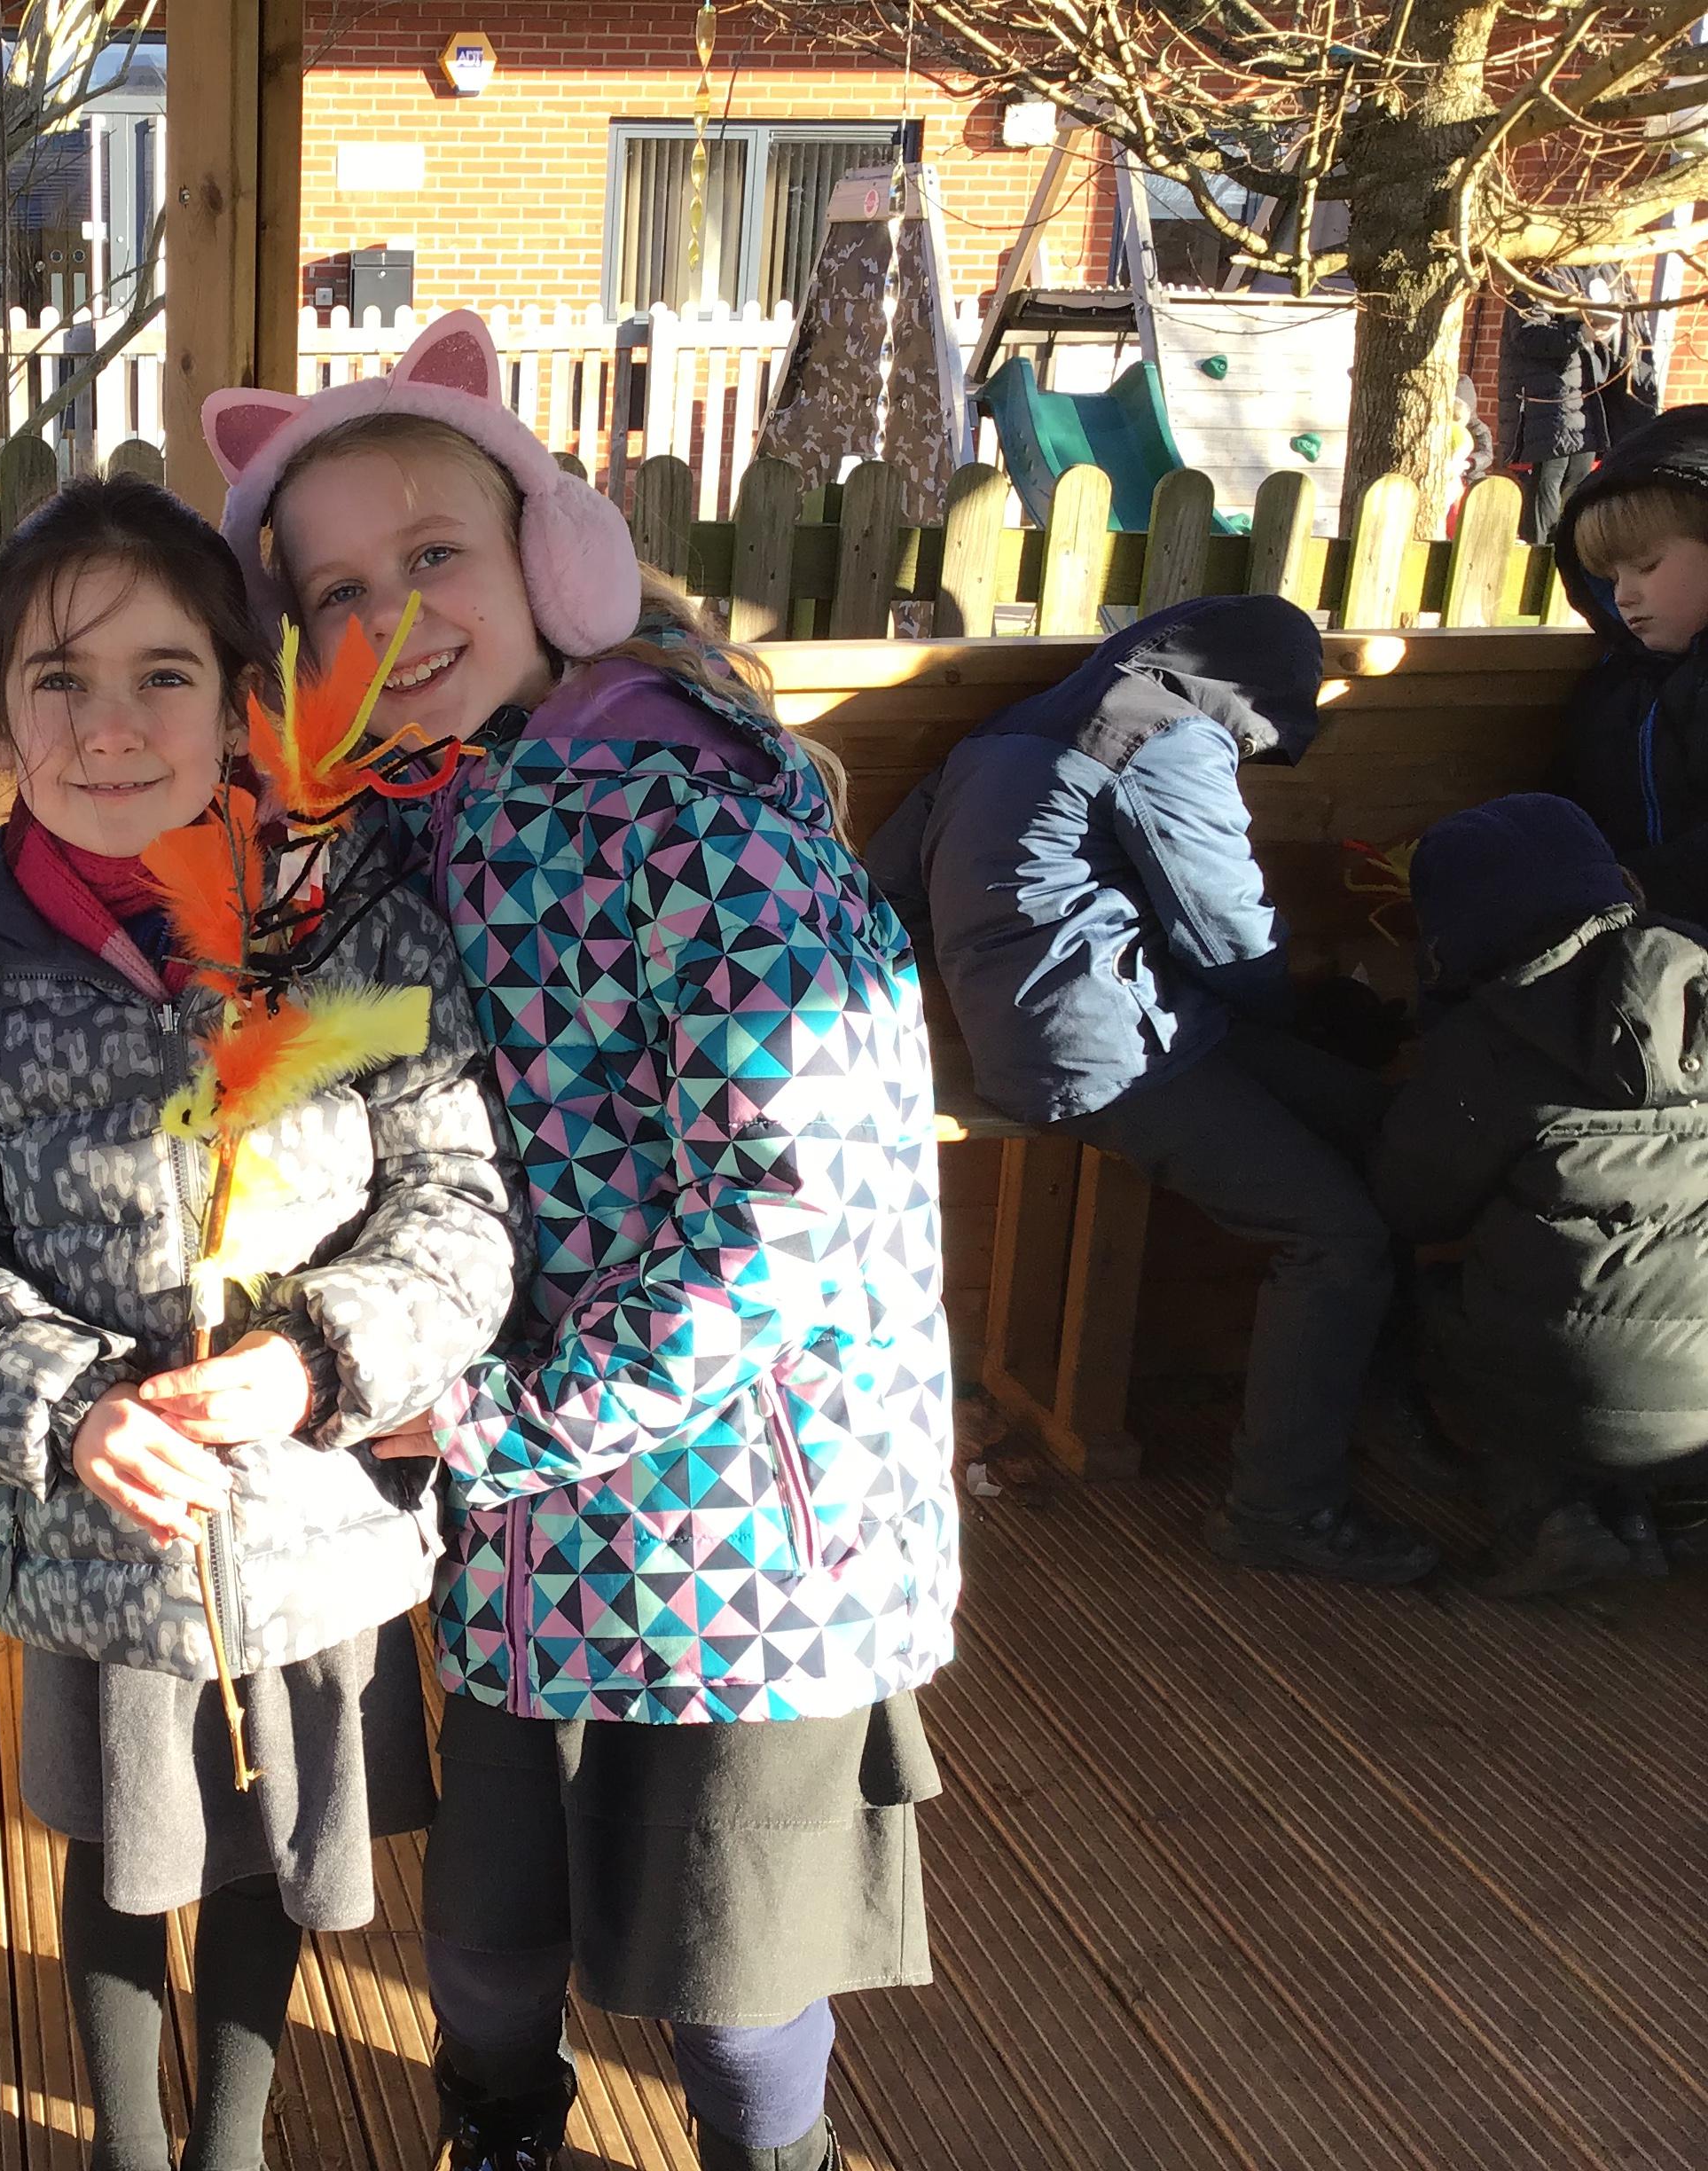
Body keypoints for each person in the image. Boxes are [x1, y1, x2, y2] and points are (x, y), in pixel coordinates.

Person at [214, 310, 954, 2171]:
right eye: (333, 594)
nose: (389, 620)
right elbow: (356, 1061)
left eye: (433, 555)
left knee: (733, 1958)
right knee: (487, 1930)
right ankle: (500, 2133)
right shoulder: (420, 827)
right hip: (527, 1520)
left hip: (747, 1525)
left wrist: (503, 1422)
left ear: (554, 558)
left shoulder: (710, 836)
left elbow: (787, 1218)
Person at [0, 476, 523, 2171]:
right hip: (100, 1528)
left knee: (266, 1855)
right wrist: (64, 1402)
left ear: (237, 703)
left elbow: (457, 1203)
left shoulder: (353, 920)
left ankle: (227, 2141)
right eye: (57, 678)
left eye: (162, 673)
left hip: (305, 1515)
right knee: (123, 1855)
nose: (110, 723)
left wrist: (322, 1356)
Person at [866, 595, 1439, 1588]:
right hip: (1113, 1055)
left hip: (1101, 1034)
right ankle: (1281, 1508)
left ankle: (1382, 1409)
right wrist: (1302, 1009)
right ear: (1255, 694)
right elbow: (1226, 930)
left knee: (1380, 1126)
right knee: (1334, 1236)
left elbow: (886, 890)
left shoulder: (1005, 732)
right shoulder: (1167, 737)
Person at [1374, 795, 1708, 1595]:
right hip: (1702, 1385)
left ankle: (1549, 1516)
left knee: (1431, 1303)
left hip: (1572, 1384)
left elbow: (1413, 1205)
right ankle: (1659, 1513)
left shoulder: (1490, 1040)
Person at [1549, 404, 1708, 922]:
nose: (1624, 596)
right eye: (1611, 578)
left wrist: (1635, 885)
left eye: (1646, 566)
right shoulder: (1615, 685)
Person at [1503, 268, 1611, 545]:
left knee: (1579, 481)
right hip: (1548, 403)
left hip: (1582, 401)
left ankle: (1566, 554)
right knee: (1548, 483)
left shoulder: (1585, 280)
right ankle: (1538, 554)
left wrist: (1598, 331)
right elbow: (1529, 336)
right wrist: (1579, 332)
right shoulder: (1533, 282)